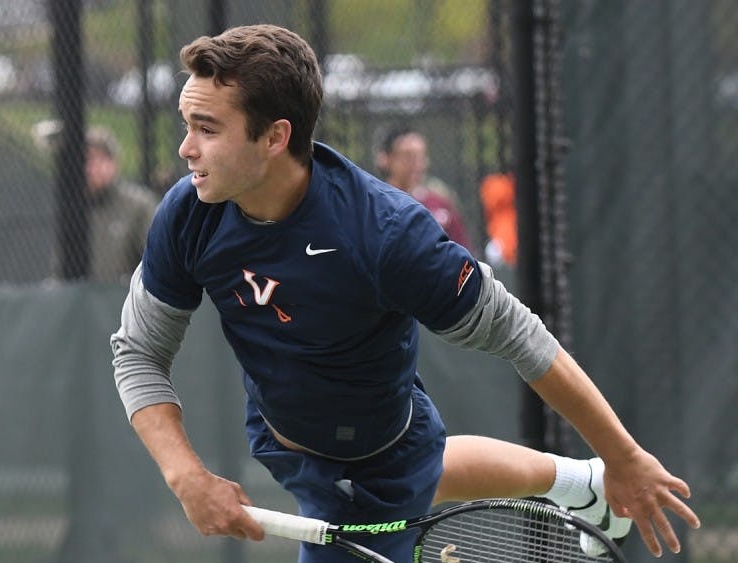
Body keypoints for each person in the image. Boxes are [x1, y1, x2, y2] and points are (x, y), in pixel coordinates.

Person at [110, 24, 700, 561]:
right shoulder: (189, 213)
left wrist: (625, 456)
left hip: (375, 470)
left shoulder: (387, 235)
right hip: (282, 431)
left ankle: (588, 479)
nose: (185, 148)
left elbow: (521, 335)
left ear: (274, 137)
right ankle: (582, 484)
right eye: (187, 125)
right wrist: (187, 477)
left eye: (207, 129)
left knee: (416, 465)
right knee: (433, 463)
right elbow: (138, 352)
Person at [35, 122, 160, 284]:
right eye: (82, 160)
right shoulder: (72, 208)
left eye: (94, 159)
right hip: (79, 298)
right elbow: (60, 272)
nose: (88, 168)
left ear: (112, 163)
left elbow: (158, 261)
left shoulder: (139, 204)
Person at [376, 128, 473, 251]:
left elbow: (463, 252)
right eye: (408, 156)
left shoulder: (439, 204)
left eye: (421, 156)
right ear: (385, 159)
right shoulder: (374, 206)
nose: (417, 164)